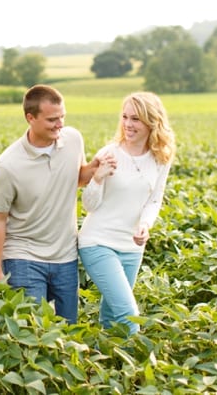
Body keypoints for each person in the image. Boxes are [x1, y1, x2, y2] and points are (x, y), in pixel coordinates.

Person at [0, 84, 98, 324]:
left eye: (62, 117)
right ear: (30, 118)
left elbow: (76, 178)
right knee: (32, 329)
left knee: (68, 328)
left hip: (65, 255)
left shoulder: (73, 139)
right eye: (52, 120)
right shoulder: (7, 166)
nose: (60, 124)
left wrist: (97, 167)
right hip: (23, 256)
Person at [78, 91, 176, 335]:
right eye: (125, 117)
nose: (128, 124)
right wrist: (98, 179)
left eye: (136, 119)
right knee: (127, 311)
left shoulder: (160, 158)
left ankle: (109, 364)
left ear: (151, 122)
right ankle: (139, 367)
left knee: (112, 314)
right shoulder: (109, 153)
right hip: (98, 242)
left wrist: (145, 224)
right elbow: (88, 205)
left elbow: (154, 199)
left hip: (132, 246)